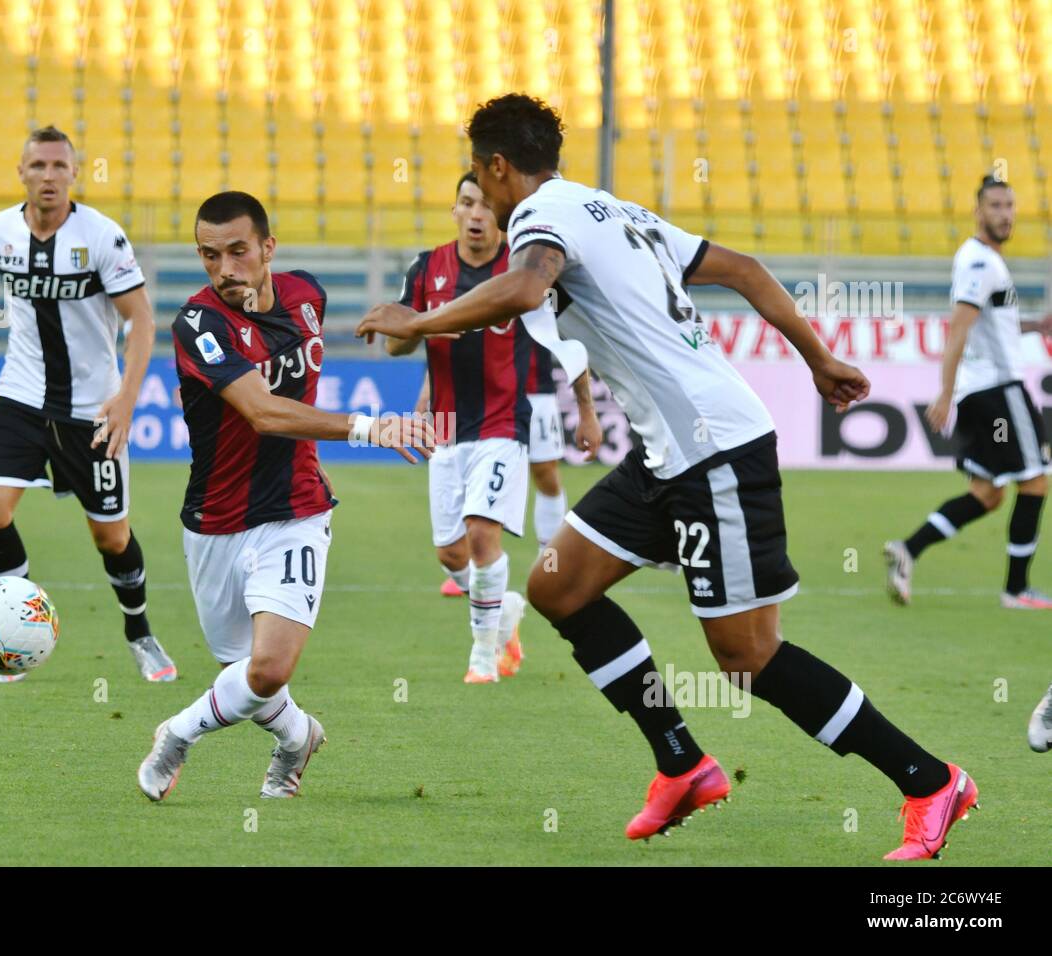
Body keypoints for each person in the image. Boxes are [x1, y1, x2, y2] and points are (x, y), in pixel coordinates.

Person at [357, 93, 976, 861]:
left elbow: (521, 290)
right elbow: (745, 269)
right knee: (557, 586)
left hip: (713, 449)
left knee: (747, 657)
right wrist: (816, 358)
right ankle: (682, 763)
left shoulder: (539, 219)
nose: (481, 195)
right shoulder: (619, 212)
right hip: (665, 452)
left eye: (482, 179)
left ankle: (928, 780)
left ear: (496, 165)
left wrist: (416, 320)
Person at [137, 192, 432, 801]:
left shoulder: (307, 296)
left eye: (239, 251)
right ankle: (298, 738)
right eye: (210, 255)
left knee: (268, 668)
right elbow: (264, 413)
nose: (225, 269)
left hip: (297, 510)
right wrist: (368, 426)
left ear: (268, 248)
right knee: (246, 680)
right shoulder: (199, 325)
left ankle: (176, 736)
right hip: (214, 521)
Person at [0, 126, 175, 683]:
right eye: (38, 165)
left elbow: (141, 320)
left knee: (111, 537)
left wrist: (127, 397)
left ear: (74, 175)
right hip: (19, 398)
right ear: (21, 173)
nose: (49, 176)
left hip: (93, 410)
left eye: (60, 166)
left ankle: (140, 632)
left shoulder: (103, 237)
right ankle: (15, 624)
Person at [391, 173, 601, 682]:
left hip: (504, 422)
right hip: (445, 426)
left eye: (487, 204)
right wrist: (421, 329)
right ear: (455, 211)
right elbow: (400, 343)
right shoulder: (427, 269)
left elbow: (568, 342)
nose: (478, 214)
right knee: (451, 552)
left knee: (484, 535)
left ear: (501, 215)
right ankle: (501, 608)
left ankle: (483, 652)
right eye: (467, 203)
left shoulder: (525, 270)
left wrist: (587, 410)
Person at [885, 175, 1052, 609]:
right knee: (1035, 480)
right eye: (995, 206)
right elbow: (959, 325)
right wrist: (943, 392)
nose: (1004, 214)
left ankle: (908, 549)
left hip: (980, 394)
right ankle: (1016, 590)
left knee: (989, 493)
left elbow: (985, 323)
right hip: (998, 392)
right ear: (978, 211)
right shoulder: (981, 262)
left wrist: (1035, 325)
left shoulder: (982, 261)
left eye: (1010, 206)